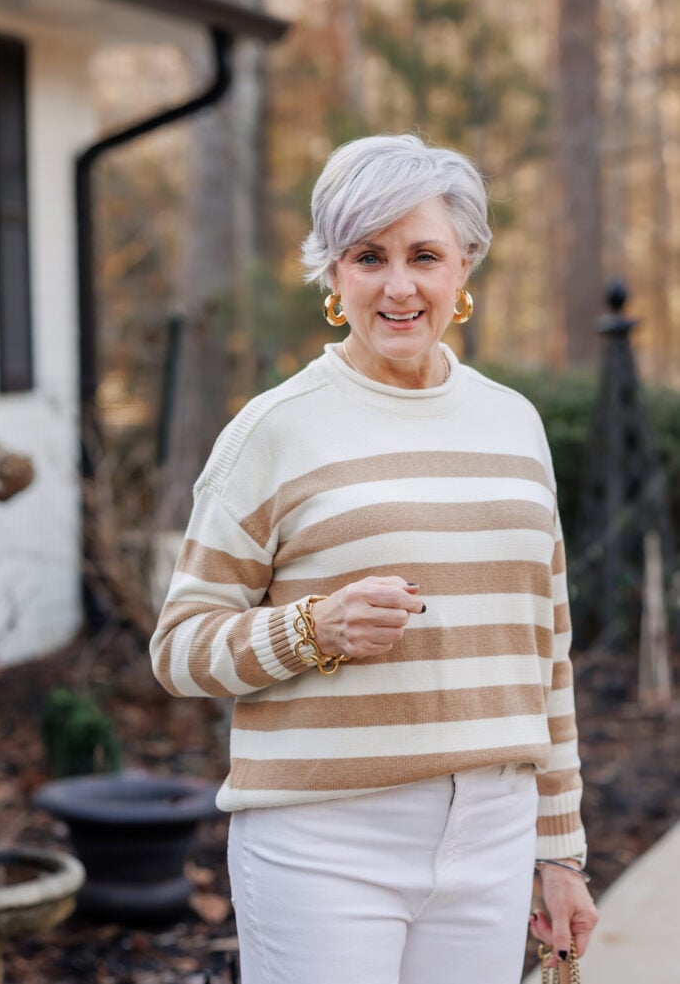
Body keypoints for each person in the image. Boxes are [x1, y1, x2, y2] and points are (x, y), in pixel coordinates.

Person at [150, 133, 598, 984]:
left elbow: (547, 653)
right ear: (333, 273)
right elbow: (178, 647)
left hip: (493, 833)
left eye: (423, 255)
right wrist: (312, 629)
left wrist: (559, 850)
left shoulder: (514, 424)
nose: (399, 285)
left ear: (462, 266)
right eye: (369, 256)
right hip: (325, 837)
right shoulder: (274, 429)